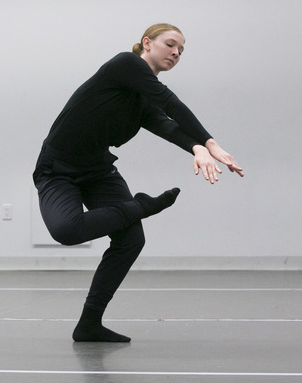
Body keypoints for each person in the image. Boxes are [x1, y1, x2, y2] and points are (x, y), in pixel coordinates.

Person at [33, 23, 244, 342]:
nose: (176, 53)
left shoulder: (143, 101)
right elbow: (170, 102)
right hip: (57, 168)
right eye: (170, 44)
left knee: (131, 239)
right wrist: (210, 141)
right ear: (147, 43)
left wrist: (198, 148)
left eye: (181, 51)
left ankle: (89, 323)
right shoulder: (124, 64)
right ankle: (142, 206)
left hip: (98, 171)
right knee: (66, 230)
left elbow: (167, 124)